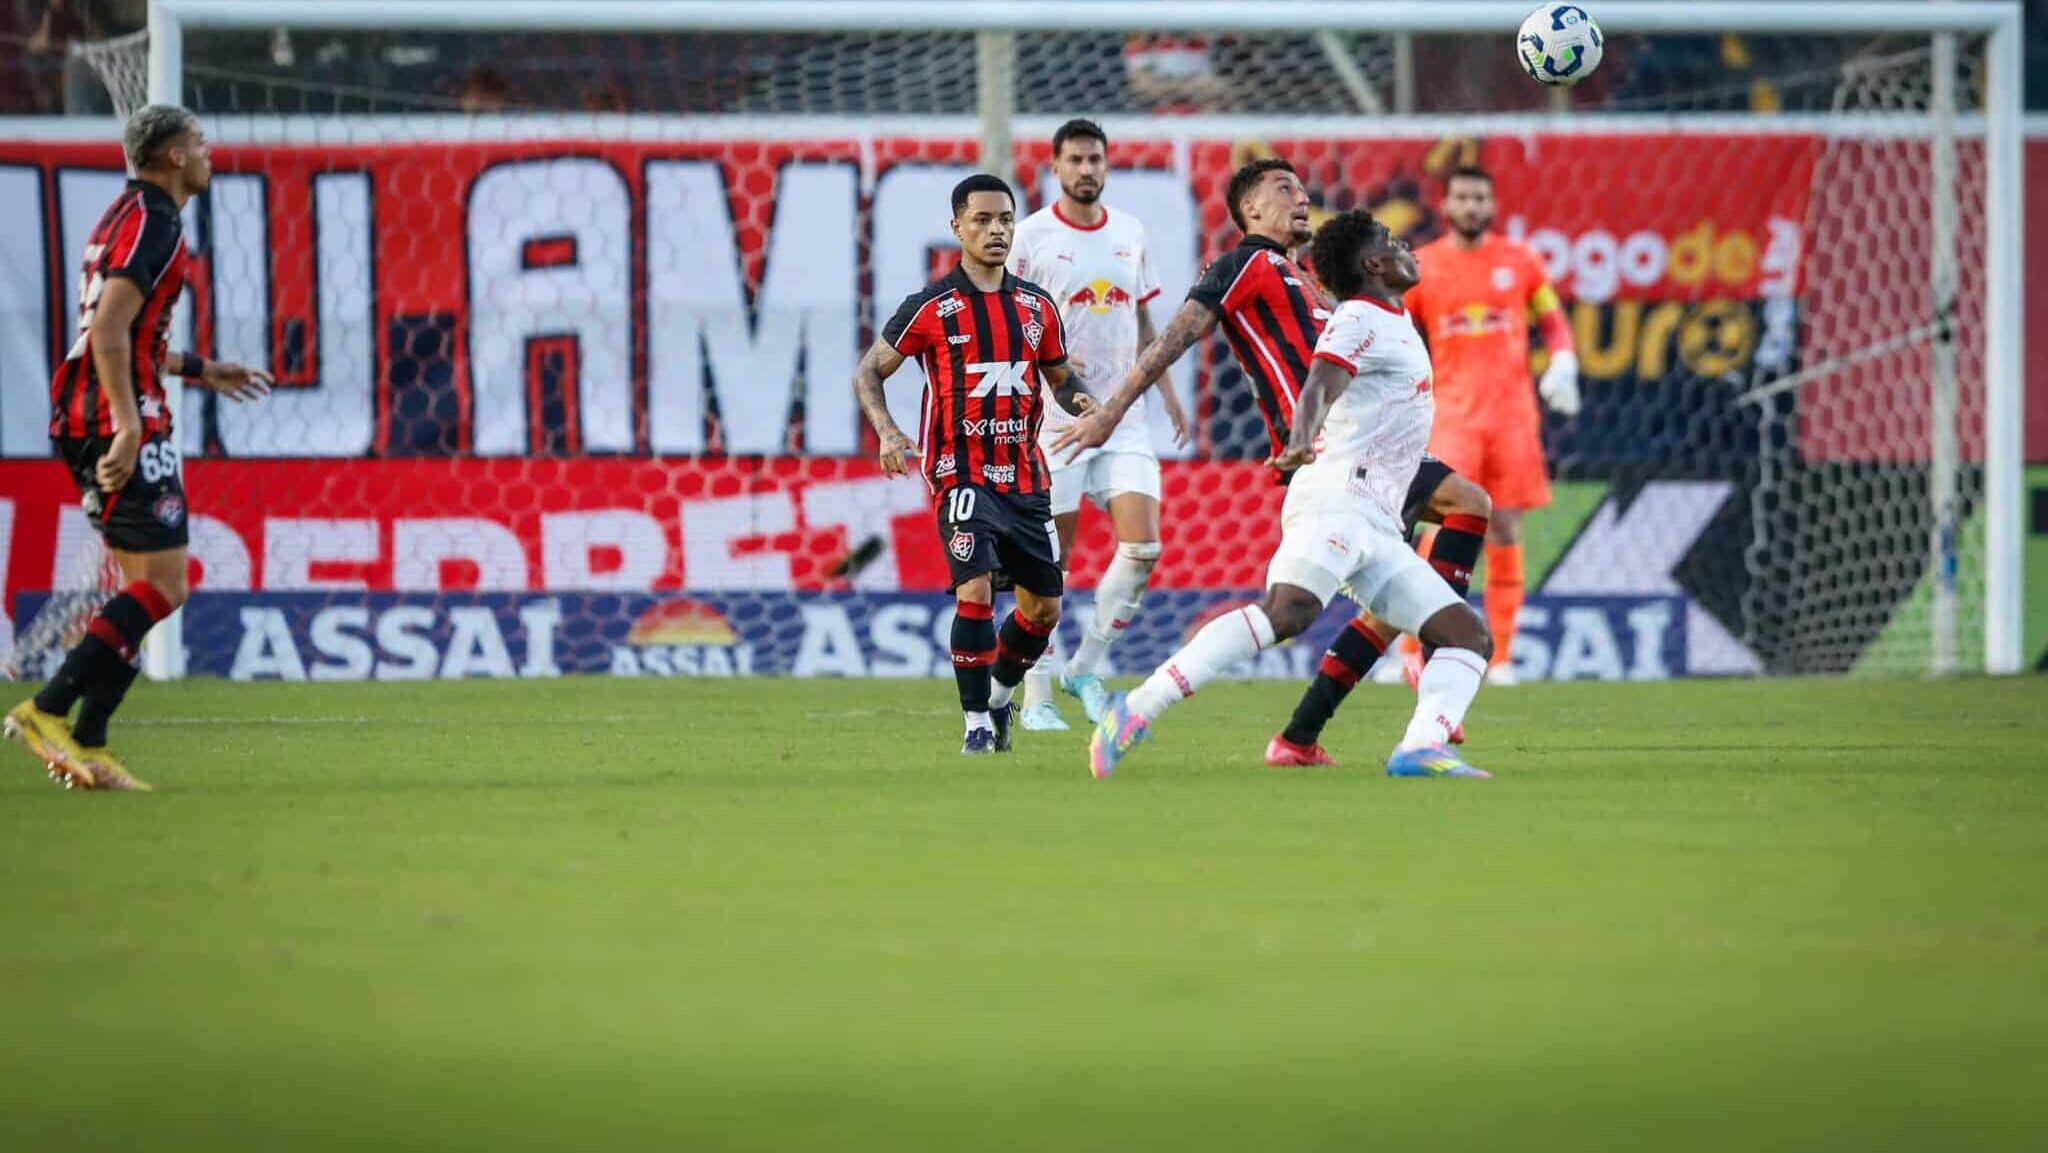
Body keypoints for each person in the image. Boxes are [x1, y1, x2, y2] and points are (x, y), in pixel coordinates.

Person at [1051, 158, 1492, 767]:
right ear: (1250, 210)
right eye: (1283, 189)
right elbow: (1174, 339)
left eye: (1305, 189)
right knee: (1303, 603)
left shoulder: (1320, 286)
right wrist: (1108, 413)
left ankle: (1331, 737)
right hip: (1328, 459)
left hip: (1374, 469)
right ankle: (1157, 710)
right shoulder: (1248, 264)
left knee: (1428, 597)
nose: (1302, 198)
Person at [5, 105, 273, 791]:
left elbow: (129, 330)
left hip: (96, 410)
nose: (209, 152)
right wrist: (128, 422)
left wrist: (202, 369)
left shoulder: (128, 214)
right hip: (113, 415)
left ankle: (89, 739)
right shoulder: (155, 222)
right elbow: (110, 330)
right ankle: (48, 708)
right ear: (174, 155)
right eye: (200, 143)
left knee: (148, 584)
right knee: (164, 583)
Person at [853, 174, 1085, 755]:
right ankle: (976, 722)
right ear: (957, 227)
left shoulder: (1036, 307)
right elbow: (868, 371)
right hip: (961, 473)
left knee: (1044, 609)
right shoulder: (932, 307)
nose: (996, 229)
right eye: (981, 220)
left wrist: (1091, 409)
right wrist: (887, 431)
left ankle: (1002, 700)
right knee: (975, 591)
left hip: (1027, 477)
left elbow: (1060, 378)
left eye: (1005, 219)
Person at [1004, 118, 1190, 732]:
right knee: (1048, 567)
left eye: (1096, 160)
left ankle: (1085, 667)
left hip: (1123, 418)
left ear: (1107, 165)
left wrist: (1168, 395)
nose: (1087, 170)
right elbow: (1006, 319)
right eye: (1076, 160)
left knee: (1143, 546)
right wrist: (1045, 353)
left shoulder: (1132, 233)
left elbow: (1143, 325)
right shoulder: (1030, 236)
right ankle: (1037, 697)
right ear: (1054, 167)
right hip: (1055, 419)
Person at [1404, 165, 1581, 685]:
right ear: (1446, 204)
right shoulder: (1423, 267)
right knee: (1436, 533)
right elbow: (1399, 332)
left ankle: (1500, 659)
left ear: (1492, 204)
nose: (1471, 206)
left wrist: (1565, 358)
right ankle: (1414, 652)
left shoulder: (1521, 261)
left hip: (1512, 420)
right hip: (1452, 418)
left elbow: (1552, 320)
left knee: (1505, 530)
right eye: (1462, 196)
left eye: (1480, 196)